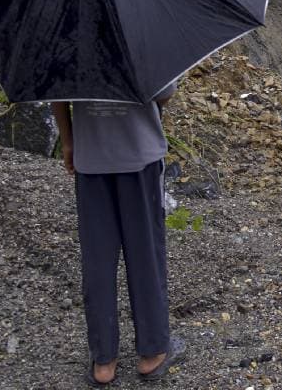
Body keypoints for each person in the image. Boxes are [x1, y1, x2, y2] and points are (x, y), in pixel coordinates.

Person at [52, 81, 186, 387]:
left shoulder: (69, 39)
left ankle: (103, 361)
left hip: (91, 160)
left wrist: (68, 139)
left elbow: (55, 90)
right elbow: (164, 92)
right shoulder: (142, 34)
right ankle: (152, 352)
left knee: (97, 261)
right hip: (139, 158)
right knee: (145, 257)